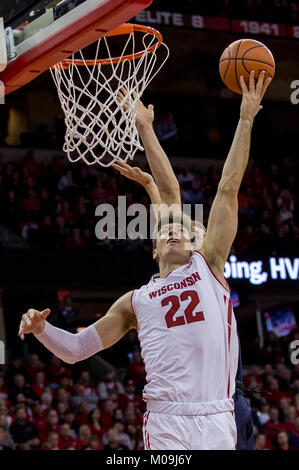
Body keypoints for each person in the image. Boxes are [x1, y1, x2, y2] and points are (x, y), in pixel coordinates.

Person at [18, 71, 271, 450]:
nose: (175, 230)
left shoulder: (208, 265)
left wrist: (246, 117)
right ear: (153, 249)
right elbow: (75, 350)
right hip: (166, 419)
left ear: (195, 245)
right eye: (166, 229)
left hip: (218, 415)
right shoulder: (136, 300)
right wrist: (41, 330)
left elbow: (227, 186)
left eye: (184, 231)